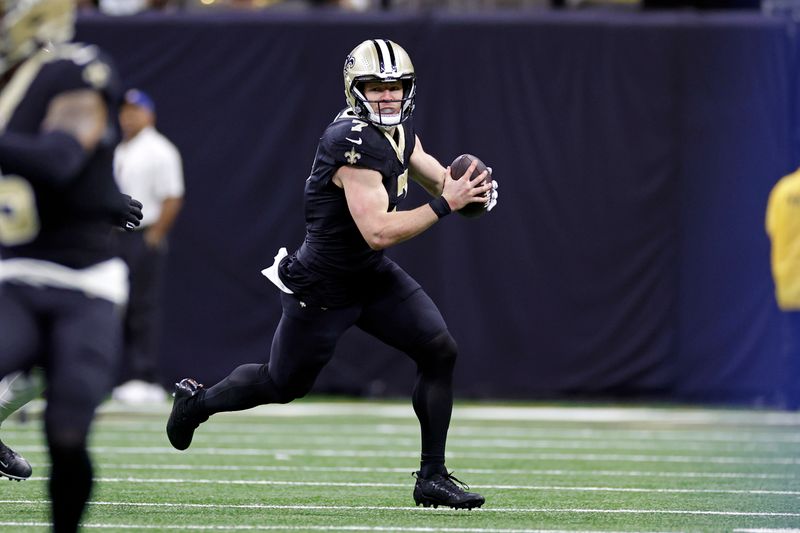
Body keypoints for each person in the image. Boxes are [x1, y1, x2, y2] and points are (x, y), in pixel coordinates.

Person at [166, 38, 497, 510]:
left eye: (396, 86)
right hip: (323, 286)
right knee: (282, 384)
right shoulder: (349, 143)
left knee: (439, 349)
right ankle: (196, 405)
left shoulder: (401, 129)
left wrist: (470, 189)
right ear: (353, 88)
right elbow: (379, 231)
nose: (387, 96)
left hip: (368, 274)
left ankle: (432, 476)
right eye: (374, 86)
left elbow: (436, 176)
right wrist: (447, 205)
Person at [0, 0, 142, 528]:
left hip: (82, 281)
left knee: (66, 429)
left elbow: (60, 159)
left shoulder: (73, 67)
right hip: (13, 272)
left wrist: (101, 196)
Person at [112, 88, 184, 404]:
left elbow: (172, 196)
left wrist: (154, 235)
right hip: (112, 237)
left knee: (142, 307)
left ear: (149, 114)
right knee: (111, 306)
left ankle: (143, 376)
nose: (127, 117)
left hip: (142, 235)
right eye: (124, 111)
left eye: (134, 111)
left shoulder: (160, 150)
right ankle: (113, 375)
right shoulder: (118, 147)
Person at [766, 168, 800, 409]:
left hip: (788, 279)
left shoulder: (783, 189)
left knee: (791, 342)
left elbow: (772, 229)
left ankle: (789, 398)